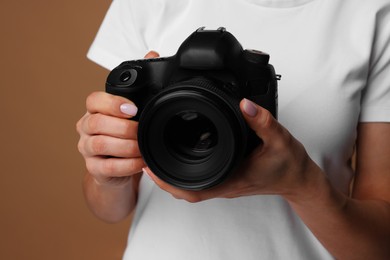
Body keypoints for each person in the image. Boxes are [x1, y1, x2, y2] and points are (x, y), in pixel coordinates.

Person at [76, 0, 390, 259]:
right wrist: (110, 173)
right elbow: (109, 209)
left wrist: (301, 183)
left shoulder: (373, 13)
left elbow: (378, 249)